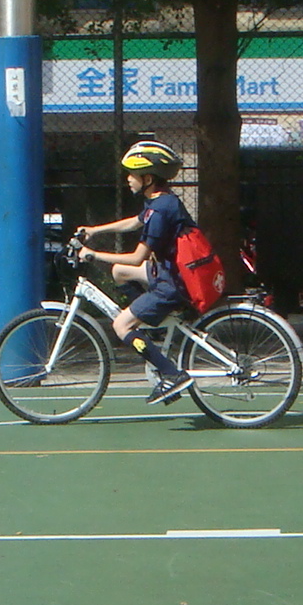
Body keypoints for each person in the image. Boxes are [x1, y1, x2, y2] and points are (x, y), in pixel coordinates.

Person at [76, 139, 196, 406]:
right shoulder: (161, 201)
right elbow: (134, 222)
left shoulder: (161, 211)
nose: (128, 179)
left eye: (132, 174)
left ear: (148, 178)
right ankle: (150, 326)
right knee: (120, 272)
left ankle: (171, 374)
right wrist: (95, 230)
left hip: (172, 283)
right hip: (169, 273)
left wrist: (94, 255)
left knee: (121, 325)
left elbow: (137, 257)